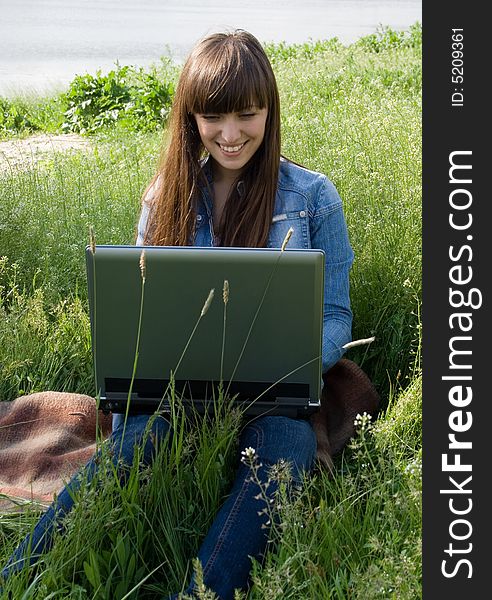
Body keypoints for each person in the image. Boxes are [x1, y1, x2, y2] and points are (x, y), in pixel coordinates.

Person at [1, 30, 353, 599]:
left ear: (270, 110)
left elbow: (335, 313)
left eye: (248, 114)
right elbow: (139, 316)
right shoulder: (165, 196)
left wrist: (301, 360)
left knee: (285, 452)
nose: (231, 135)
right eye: (214, 117)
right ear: (190, 117)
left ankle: (198, 593)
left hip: (272, 392)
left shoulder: (313, 197)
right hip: (173, 390)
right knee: (138, 444)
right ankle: (18, 577)